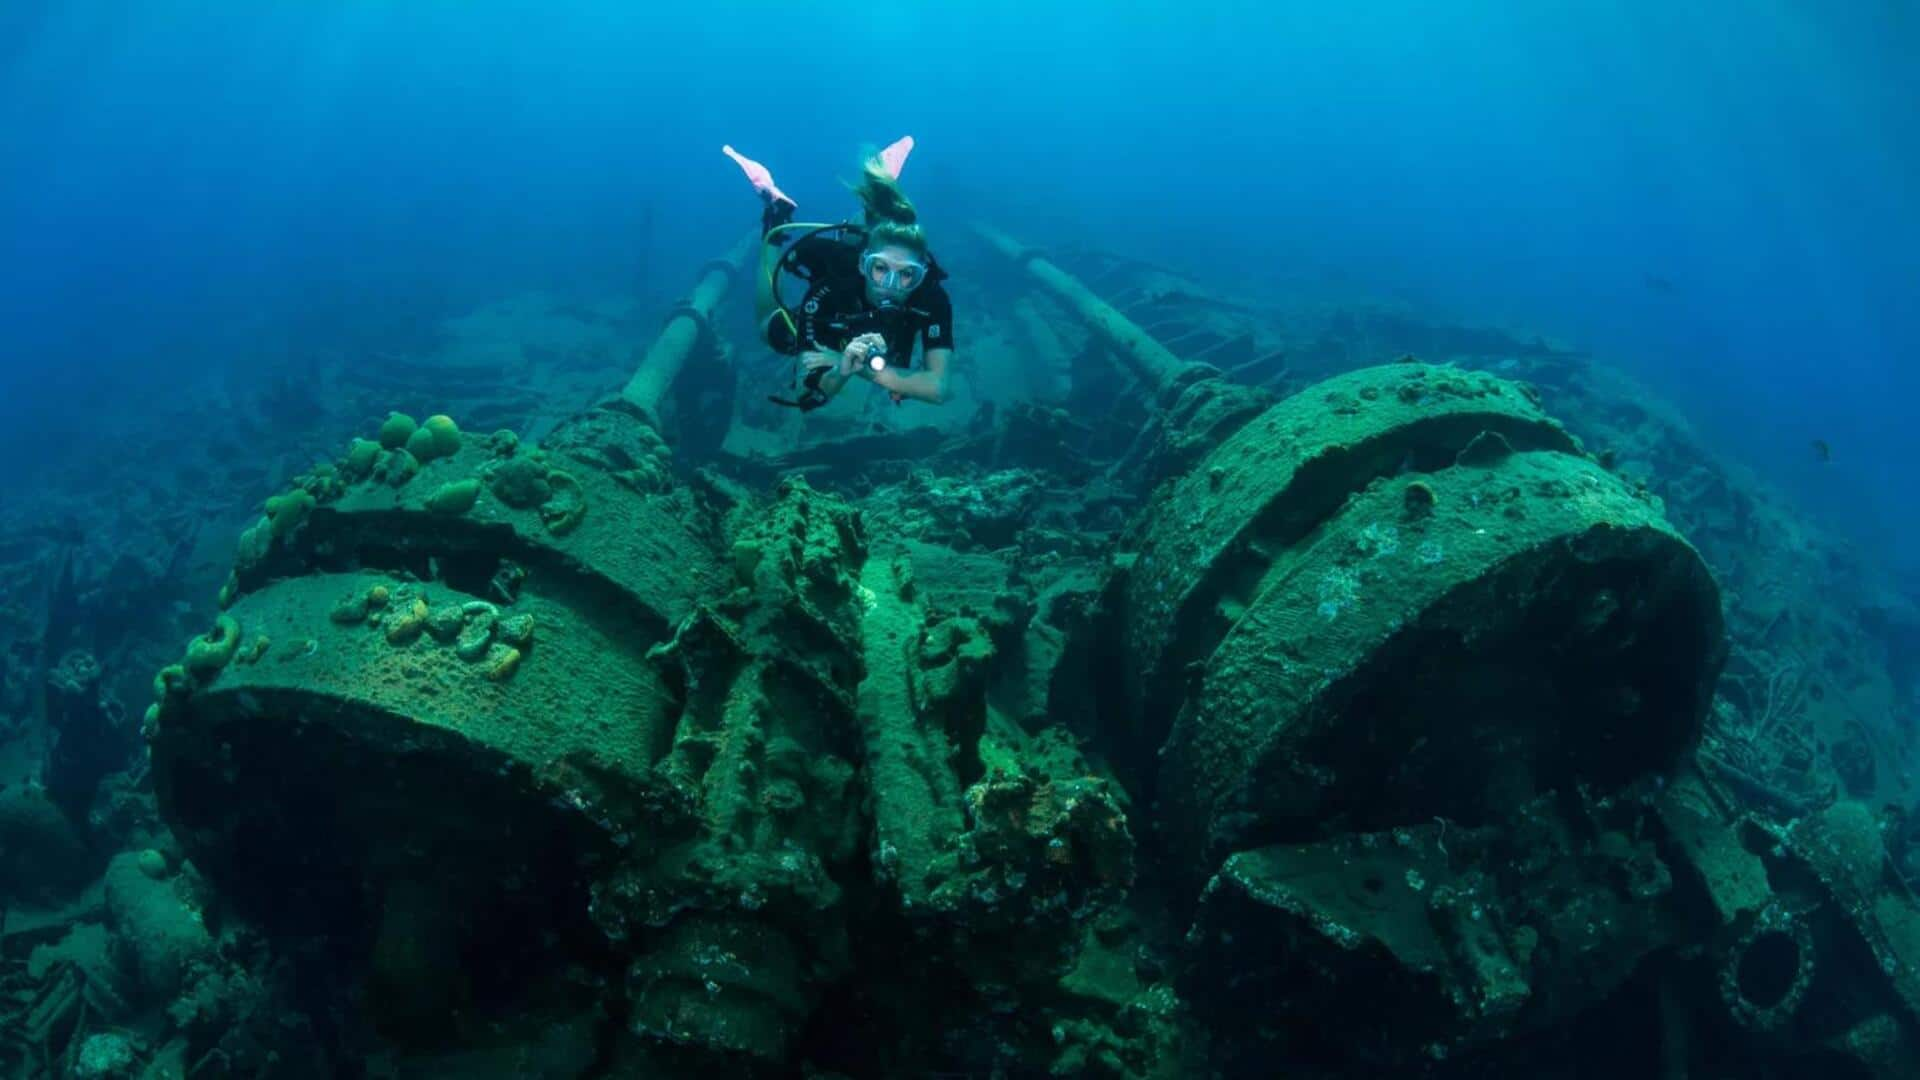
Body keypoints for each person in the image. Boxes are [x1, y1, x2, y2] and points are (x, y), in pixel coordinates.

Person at [724, 138, 954, 412]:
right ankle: (776, 218)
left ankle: (878, 198)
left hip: (858, 350)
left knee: (873, 237)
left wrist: (863, 369)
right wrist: (840, 371)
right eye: (879, 269)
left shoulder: (932, 299)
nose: (890, 286)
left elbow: (938, 388)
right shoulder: (830, 290)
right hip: (834, 322)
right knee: (767, 329)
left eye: (907, 275)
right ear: (864, 266)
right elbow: (805, 394)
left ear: (921, 275)